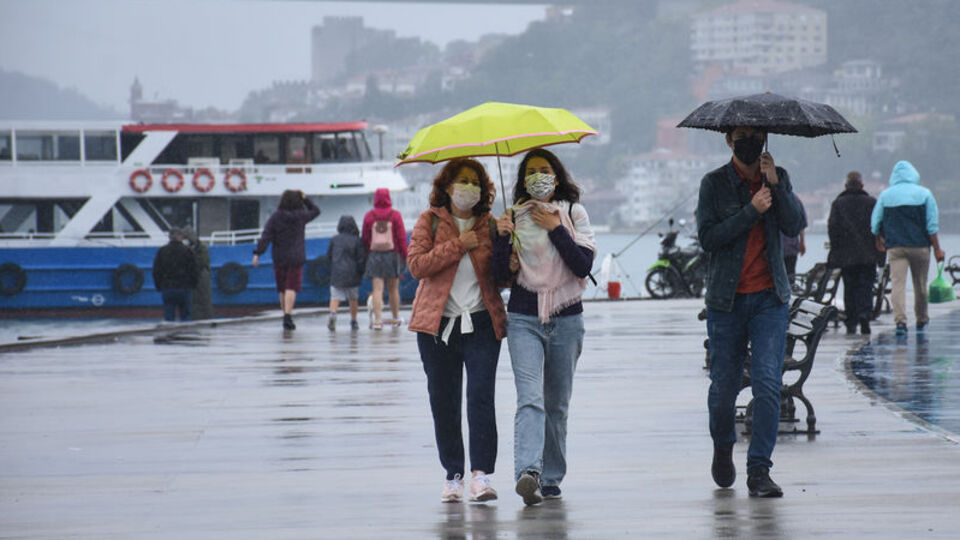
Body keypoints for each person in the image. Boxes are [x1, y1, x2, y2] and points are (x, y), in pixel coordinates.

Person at [696, 126, 806, 498]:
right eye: (742, 135)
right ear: (729, 140)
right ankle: (723, 445)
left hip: (769, 299)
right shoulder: (713, 184)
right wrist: (751, 211)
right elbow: (708, 238)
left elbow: (794, 225)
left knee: (767, 383)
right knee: (723, 389)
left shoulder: (778, 177)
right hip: (725, 301)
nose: (750, 141)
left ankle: (759, 470)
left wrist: (776, 186)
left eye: (756, 135)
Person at [492, 148, 596, 506]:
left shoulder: (574, 212)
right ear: (523, 180)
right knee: (530, 399)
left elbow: (582, 265)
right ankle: (528, 472)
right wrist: (501, 239)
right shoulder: (513, 216)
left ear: (556, 176)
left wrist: (556, 229)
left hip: (567, 318)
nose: (539, 177)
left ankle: (551, 478)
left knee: (557, 405)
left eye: (545, 170)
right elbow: (500, 276)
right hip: (524, 317)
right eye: (532, 171)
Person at [407, 158, 507, 503]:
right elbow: (417, 265)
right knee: (443, 401)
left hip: (482, 323)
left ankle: (482, 475)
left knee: (480, 397)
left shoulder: (489, 224)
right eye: (463, 181)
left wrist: (506, 241)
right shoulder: (430, 220)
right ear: (448, 186)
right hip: (437, 327)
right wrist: (459, 245)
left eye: (476, 182)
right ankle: (453, 476)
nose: (470, 188)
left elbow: (504, 277)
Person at [870, 160, 945, 335]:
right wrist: (937, 249)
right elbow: (932, 225)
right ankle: (922, 318)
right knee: (920, 284)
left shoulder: (886, 195)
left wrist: (878, 239)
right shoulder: (925, 194)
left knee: (898, 284)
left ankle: (901, 322)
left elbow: (875, 221)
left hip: (895, 247)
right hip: (920, 246)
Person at [253, 190, 321, 330]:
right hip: (296, 256)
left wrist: (258, 253)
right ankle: (288, 316)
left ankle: (285, 314)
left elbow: (266, 236)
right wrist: (305, 199)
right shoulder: (300, 216)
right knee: (291, 287)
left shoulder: (276, 217)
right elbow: (316, 211)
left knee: (282, 288)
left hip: (279, 256)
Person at [828, 171, 881, 335]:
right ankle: (864, 315)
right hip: (868, 254)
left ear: (846, 186)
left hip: (846, 255)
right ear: (862, 185)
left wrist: (836, 249)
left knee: (849, 288)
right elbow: (879, 226)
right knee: (866, 286)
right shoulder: (872, 202)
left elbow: (832, 228)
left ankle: (851, 321)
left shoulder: (838, 203)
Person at [361, 188, 408, 330]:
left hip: (375, 255)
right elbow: (401, 238)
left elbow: (365, 238)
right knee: (393, 289)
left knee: (377, 289)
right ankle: (395, 319)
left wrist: (367, 254)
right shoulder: (395, 215)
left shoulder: (369, 216)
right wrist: (405, 256)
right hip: (392, 255)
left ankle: (378, 321)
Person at [326, 215, 366, 331]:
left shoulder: (334, 239)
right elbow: (361, 259)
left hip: (337, 273)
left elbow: (329, 256)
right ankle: (353, 321)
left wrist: (331, 270)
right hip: (352, 273)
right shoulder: (357, 240)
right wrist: (361, 272)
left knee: (335, 297)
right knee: (353, 298)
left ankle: (333, 314)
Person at [152, 227, 199, 322]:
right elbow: (194, 270)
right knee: (186, 316)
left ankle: (169, 330)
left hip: (168, 287)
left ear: (169, 237)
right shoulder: (188, 251)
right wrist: (193, 285)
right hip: (185, 287)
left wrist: (159, 286)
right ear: (181, 237)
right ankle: (186, 330)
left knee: (169, 317)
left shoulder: (162, 251)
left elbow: (157, 271)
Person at [186, 229, 214, 320]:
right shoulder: (191, 248)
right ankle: (197, 318)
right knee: (195, 300)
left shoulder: (202, 248)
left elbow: (202, 261)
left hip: (202, 275)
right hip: (195, 276)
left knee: (204, 299)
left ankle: (206, 318)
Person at [780, 195, 806, 282]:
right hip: (791, 247)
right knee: (790, 277)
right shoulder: (795, 200)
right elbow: (802, 223)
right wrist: (802, 242)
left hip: (777, 248)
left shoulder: (771, 199)